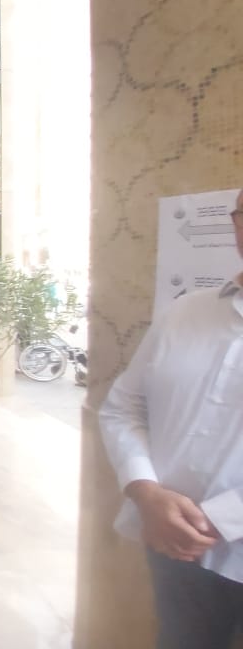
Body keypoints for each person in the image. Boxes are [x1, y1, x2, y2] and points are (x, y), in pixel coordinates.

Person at [97, 189, 243, 649]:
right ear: (235, 223)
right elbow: (124, 406)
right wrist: (146, 491)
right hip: (174, 551)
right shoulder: (184, 312)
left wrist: (218, 519)